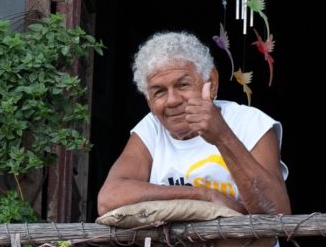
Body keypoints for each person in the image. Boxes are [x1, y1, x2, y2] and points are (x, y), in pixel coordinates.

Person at [98, 31, 290, 225]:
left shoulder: (250, 122)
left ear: (211, 83)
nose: (172, 100)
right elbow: (109, 199)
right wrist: (205, 196)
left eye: (182, 85)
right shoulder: (151, 128)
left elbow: (278, 212)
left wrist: (221, 135)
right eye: (159, 92)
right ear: (149, 101)